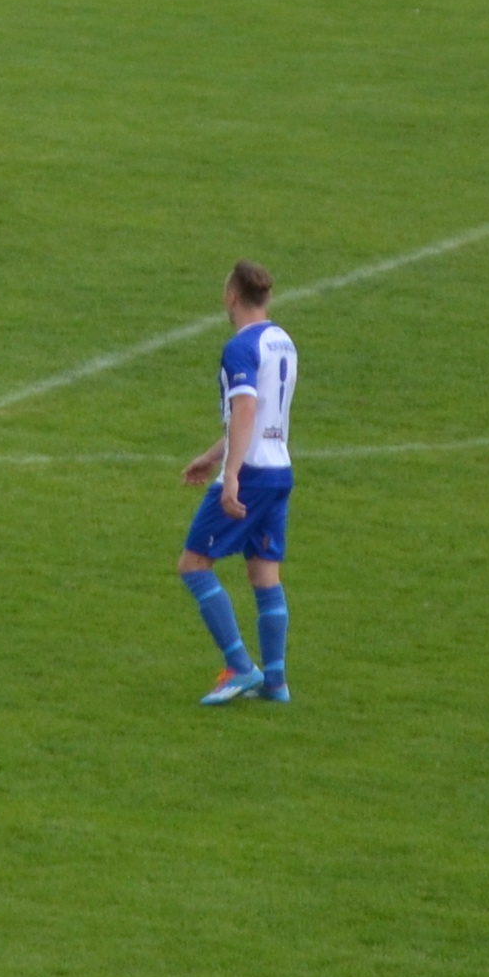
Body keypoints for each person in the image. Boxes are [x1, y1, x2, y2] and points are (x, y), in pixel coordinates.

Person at [181, 261, 298, 706]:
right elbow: (264, 413)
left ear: (231, 296)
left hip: (249, 472)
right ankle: (276, 682)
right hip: (279, 469)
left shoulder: (240, 348)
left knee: (193, 565)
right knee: (263, 572)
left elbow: (246, 410)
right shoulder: (282, 341)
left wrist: (228, 474)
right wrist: (213, 456)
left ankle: (239, 667)